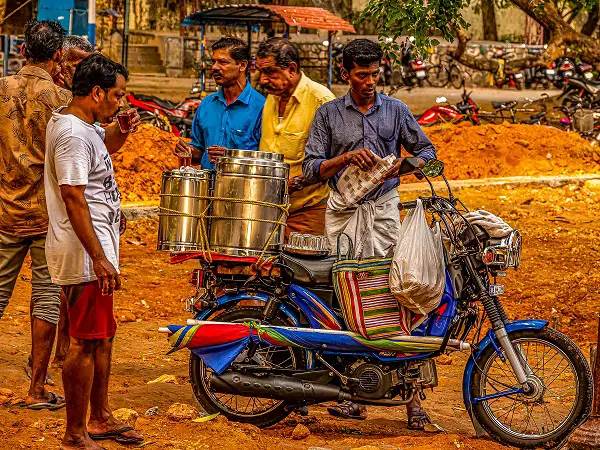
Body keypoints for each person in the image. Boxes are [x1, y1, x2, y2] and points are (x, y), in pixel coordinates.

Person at [303, 39, 437, 428]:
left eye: (375, 74)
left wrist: (401, 167)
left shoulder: (395, 110)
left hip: (383, 212)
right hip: (343, 215)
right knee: (346, 295)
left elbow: (428, 153)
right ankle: (352, 391)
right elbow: (312, 167)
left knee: (399, 292)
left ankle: (413, 396)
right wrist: (344, 158)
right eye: (362, 75)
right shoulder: (328, 114)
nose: (370, 82)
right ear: (345, 74)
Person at [44, 54, 143, 449]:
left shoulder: (84, 126)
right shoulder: (71, 133)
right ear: (97, 92)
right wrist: (99, 258)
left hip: (95, 249)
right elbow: (73, 197)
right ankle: (74, 434)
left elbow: (106, 147)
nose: (120, 102)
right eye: (117, 96)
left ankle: (99, 417)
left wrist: (119, 129)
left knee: (102, 337)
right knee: (85, 341)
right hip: (85, 253)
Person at [0, 19, 70, 410]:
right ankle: (36, 388)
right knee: (46, 299)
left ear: (23, 50)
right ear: (58, 55)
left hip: (5, 211)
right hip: (47, 216)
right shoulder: (59, 99)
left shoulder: (1, 88)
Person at [256, 38, 335, 241]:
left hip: (307, 211)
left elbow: (337, 161)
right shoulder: (271, 99)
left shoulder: (321, 101)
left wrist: (297, 182)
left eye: (270, 72)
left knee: (302, 270)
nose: (263, 80)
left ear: (292, 69)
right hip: (269, 211)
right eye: (261, 72)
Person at [48, 35, 94, 370]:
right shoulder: (66, 108)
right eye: (77, 62)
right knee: (60, 294)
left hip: (57, 206)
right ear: (62, 60)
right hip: (54, 208)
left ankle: (61, 355)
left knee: (65, 295)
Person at [174, 37, 265, 169]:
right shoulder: (206, 105)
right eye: (213, 62)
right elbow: (199, 153)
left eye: (222, 62)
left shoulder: (261, 107)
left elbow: (267, 160)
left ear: (242, 65)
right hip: (207, 186)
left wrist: (231, 157)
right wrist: (187, 151)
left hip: (244, 187)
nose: (215, 68)